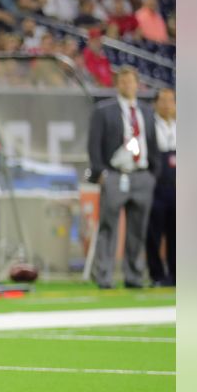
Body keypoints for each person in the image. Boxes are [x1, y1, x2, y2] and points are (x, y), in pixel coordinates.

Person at [87, 66, 159, 289]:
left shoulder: (147, 112)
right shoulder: (103, 110)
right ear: (117, 84)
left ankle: (134, 275)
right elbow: (93, 145)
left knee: (138, 229)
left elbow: (153, 143)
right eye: (123, 81)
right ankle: (105, 275)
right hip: (115, 174)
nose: (128, 85)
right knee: (108, 227)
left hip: (141, 175)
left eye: (131, 81)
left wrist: (153, 175)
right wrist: (100, 173)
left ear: (138, 84)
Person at [146, 87, 176, 287]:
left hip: (176, 186)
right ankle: (157, 274)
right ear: (155, 104)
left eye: (170, 100)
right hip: (156, 186)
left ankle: (176, 274)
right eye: (162, 100)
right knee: (154, 233)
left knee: (177, 234)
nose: (166, 104)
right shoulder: (148, 125)